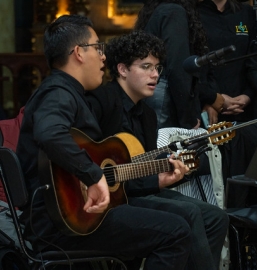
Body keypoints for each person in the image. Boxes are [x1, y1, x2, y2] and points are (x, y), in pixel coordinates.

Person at [16, 14, 194, 270]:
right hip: (61, 226)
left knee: (179, 219)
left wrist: (152, 178)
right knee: (175, 231)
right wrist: (92, 175)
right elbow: (50, 133)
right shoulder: (57, 92)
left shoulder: (68, 94)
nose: (103, 56)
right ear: (78, 52)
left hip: (71, 216)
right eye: (98, 47)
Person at [86, 30, 229, 270]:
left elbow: (144, 170)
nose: (155, 75)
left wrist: (172, 172)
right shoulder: (101, 102)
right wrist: (156, 182)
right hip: (109, 198)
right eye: (146, 67)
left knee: (216, 217)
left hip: (136, 190)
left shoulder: (148, 115)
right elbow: (92, 160)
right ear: (122, 69)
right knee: (189, 213)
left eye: (158, 68)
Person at [134, 0, 225, 129]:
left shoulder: (161, 8)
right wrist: (188, 119)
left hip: (154, 97)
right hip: (166, 102)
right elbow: (178, 69)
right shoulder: (173, 11)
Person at [197, 0, 257, 125]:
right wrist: (212, 99)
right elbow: (194, 65)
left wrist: (248, 95)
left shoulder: (246, 12)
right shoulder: (194, 13)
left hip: (243, 106)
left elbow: (255, 59)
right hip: (208, 106)